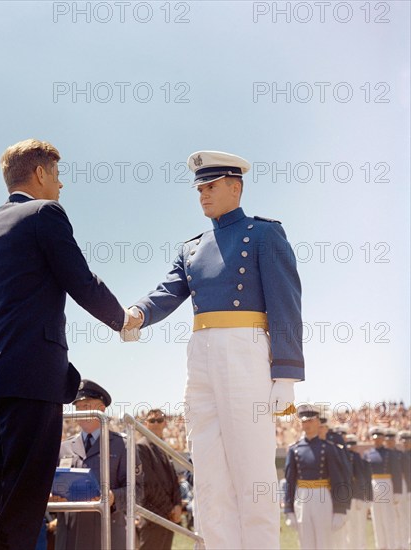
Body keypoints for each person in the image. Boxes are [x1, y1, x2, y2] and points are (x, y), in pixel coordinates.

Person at [124, 150, 304, 549]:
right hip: (201, 352)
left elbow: (286, 303)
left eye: (211, 187)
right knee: (207, 468)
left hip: (246, 350)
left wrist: (286, 374)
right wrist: (138, 312)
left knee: (252, 465)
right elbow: (168, 291)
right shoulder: (192, 247)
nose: (203, 195)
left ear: (235, 187)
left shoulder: (263, 234)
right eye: (199, 189)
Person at [0, 139, 141, 549]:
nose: (61, 186)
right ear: (41, 174)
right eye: (58, 176)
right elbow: (80, 278)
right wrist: (123, 320)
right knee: (26, 500)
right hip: (33, 380)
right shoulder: (45, 213)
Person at [54, 380, 132, 550]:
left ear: (101, 409)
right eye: (78, 408)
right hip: (70, 536)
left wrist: (112, 497)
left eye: (86, 406)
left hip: (107, 534)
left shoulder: (123, 445)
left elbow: (137, 491)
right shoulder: (63, 447)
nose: (81, 412)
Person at [283, 404, 348, 550]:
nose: (307, 424)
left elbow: (338, 480)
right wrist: (288, 509)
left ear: (318, 422)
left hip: (322, 496)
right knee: (305, 542)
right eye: (304, 421)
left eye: (310, 421)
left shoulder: (329, 448)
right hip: (302, 497)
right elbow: (290, 481)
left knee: (324, 542)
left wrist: (340, 509)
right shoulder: (294, 449)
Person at [136, 409, 182, 550]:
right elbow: (148, 483)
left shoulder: (164, 448)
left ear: (165, 423)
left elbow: (174, 480)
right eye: (152, 420)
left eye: (159, 420)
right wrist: (170, 509)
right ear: (145, 424)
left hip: (168, 518)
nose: (156, 423)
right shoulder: (141, 447)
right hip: (153, 517)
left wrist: (178, 505)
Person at [363, 427, 396, 550]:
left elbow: (396, 473)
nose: (377, 440)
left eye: (379, 438)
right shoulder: (367, 454)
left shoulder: (389, 453)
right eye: (374, 438)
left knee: (388, 517)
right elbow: (366, 476)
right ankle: (380, 545)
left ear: (383, 438)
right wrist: (367, 494)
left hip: (387, 483)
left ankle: (391, 545)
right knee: (376, 518)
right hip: (373, 484)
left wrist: (397, 492)